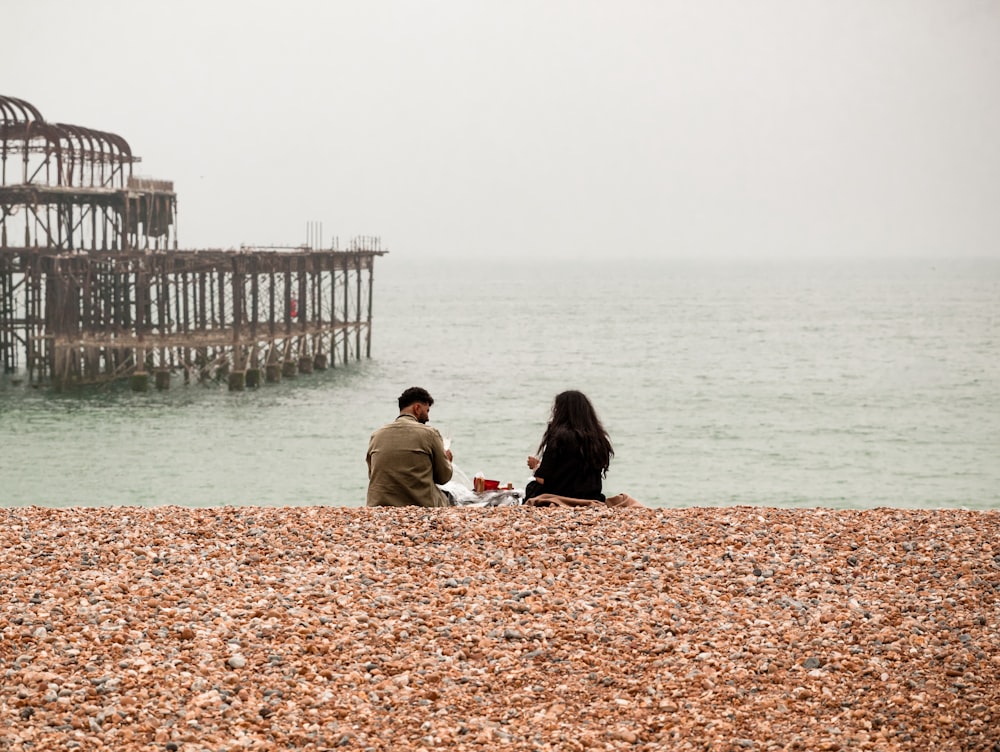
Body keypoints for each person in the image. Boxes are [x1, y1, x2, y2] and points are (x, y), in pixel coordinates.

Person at [366, 386, 454, 507]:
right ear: (417, 408)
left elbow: (373, 474)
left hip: (378, 506)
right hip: (420, 505)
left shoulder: (376, 435)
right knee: (452, 498)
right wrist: (447, 461)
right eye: (427, 411)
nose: (428, 418)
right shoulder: (429, 433)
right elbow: (443, 478)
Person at [525, 390, 614, 503]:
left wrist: (535, 467)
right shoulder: (599, 439)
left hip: (561, 495)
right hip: (591, 496)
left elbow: (543, 479)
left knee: (532, 487)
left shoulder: (558, 437)